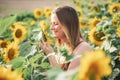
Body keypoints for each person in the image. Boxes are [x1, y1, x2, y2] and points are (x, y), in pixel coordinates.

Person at [39, 6, 92, 70]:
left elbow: (65, 77)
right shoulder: (64, 48)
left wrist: (50, 54)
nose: (51, 28)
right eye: (51, 23)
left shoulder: (83, 48)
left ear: (67, 25)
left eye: (55, 24)